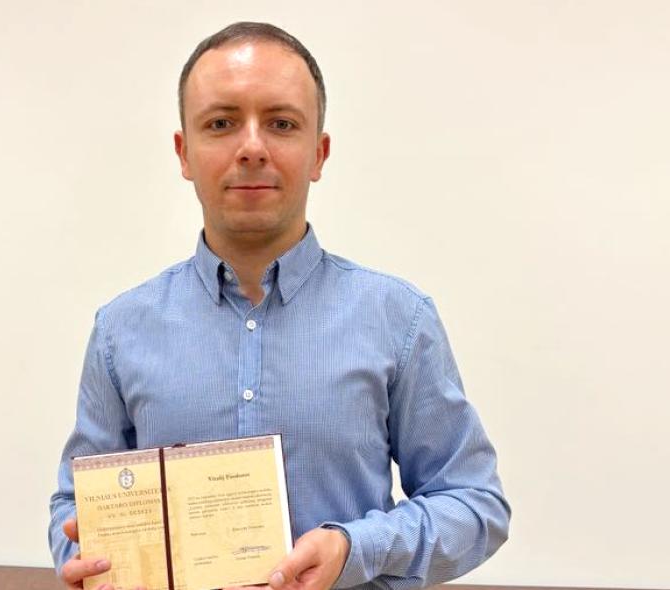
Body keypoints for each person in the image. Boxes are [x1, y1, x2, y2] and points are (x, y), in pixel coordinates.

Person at [48, 21, 511, 590]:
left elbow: (475, 504)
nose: (251, 147)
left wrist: (355, 547)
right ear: (184, 153)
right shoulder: (121, 330)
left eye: (281, 123)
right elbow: (75, 501)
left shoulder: (399, 318)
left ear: (318, 153)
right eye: (221, 123)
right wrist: (82, 555)